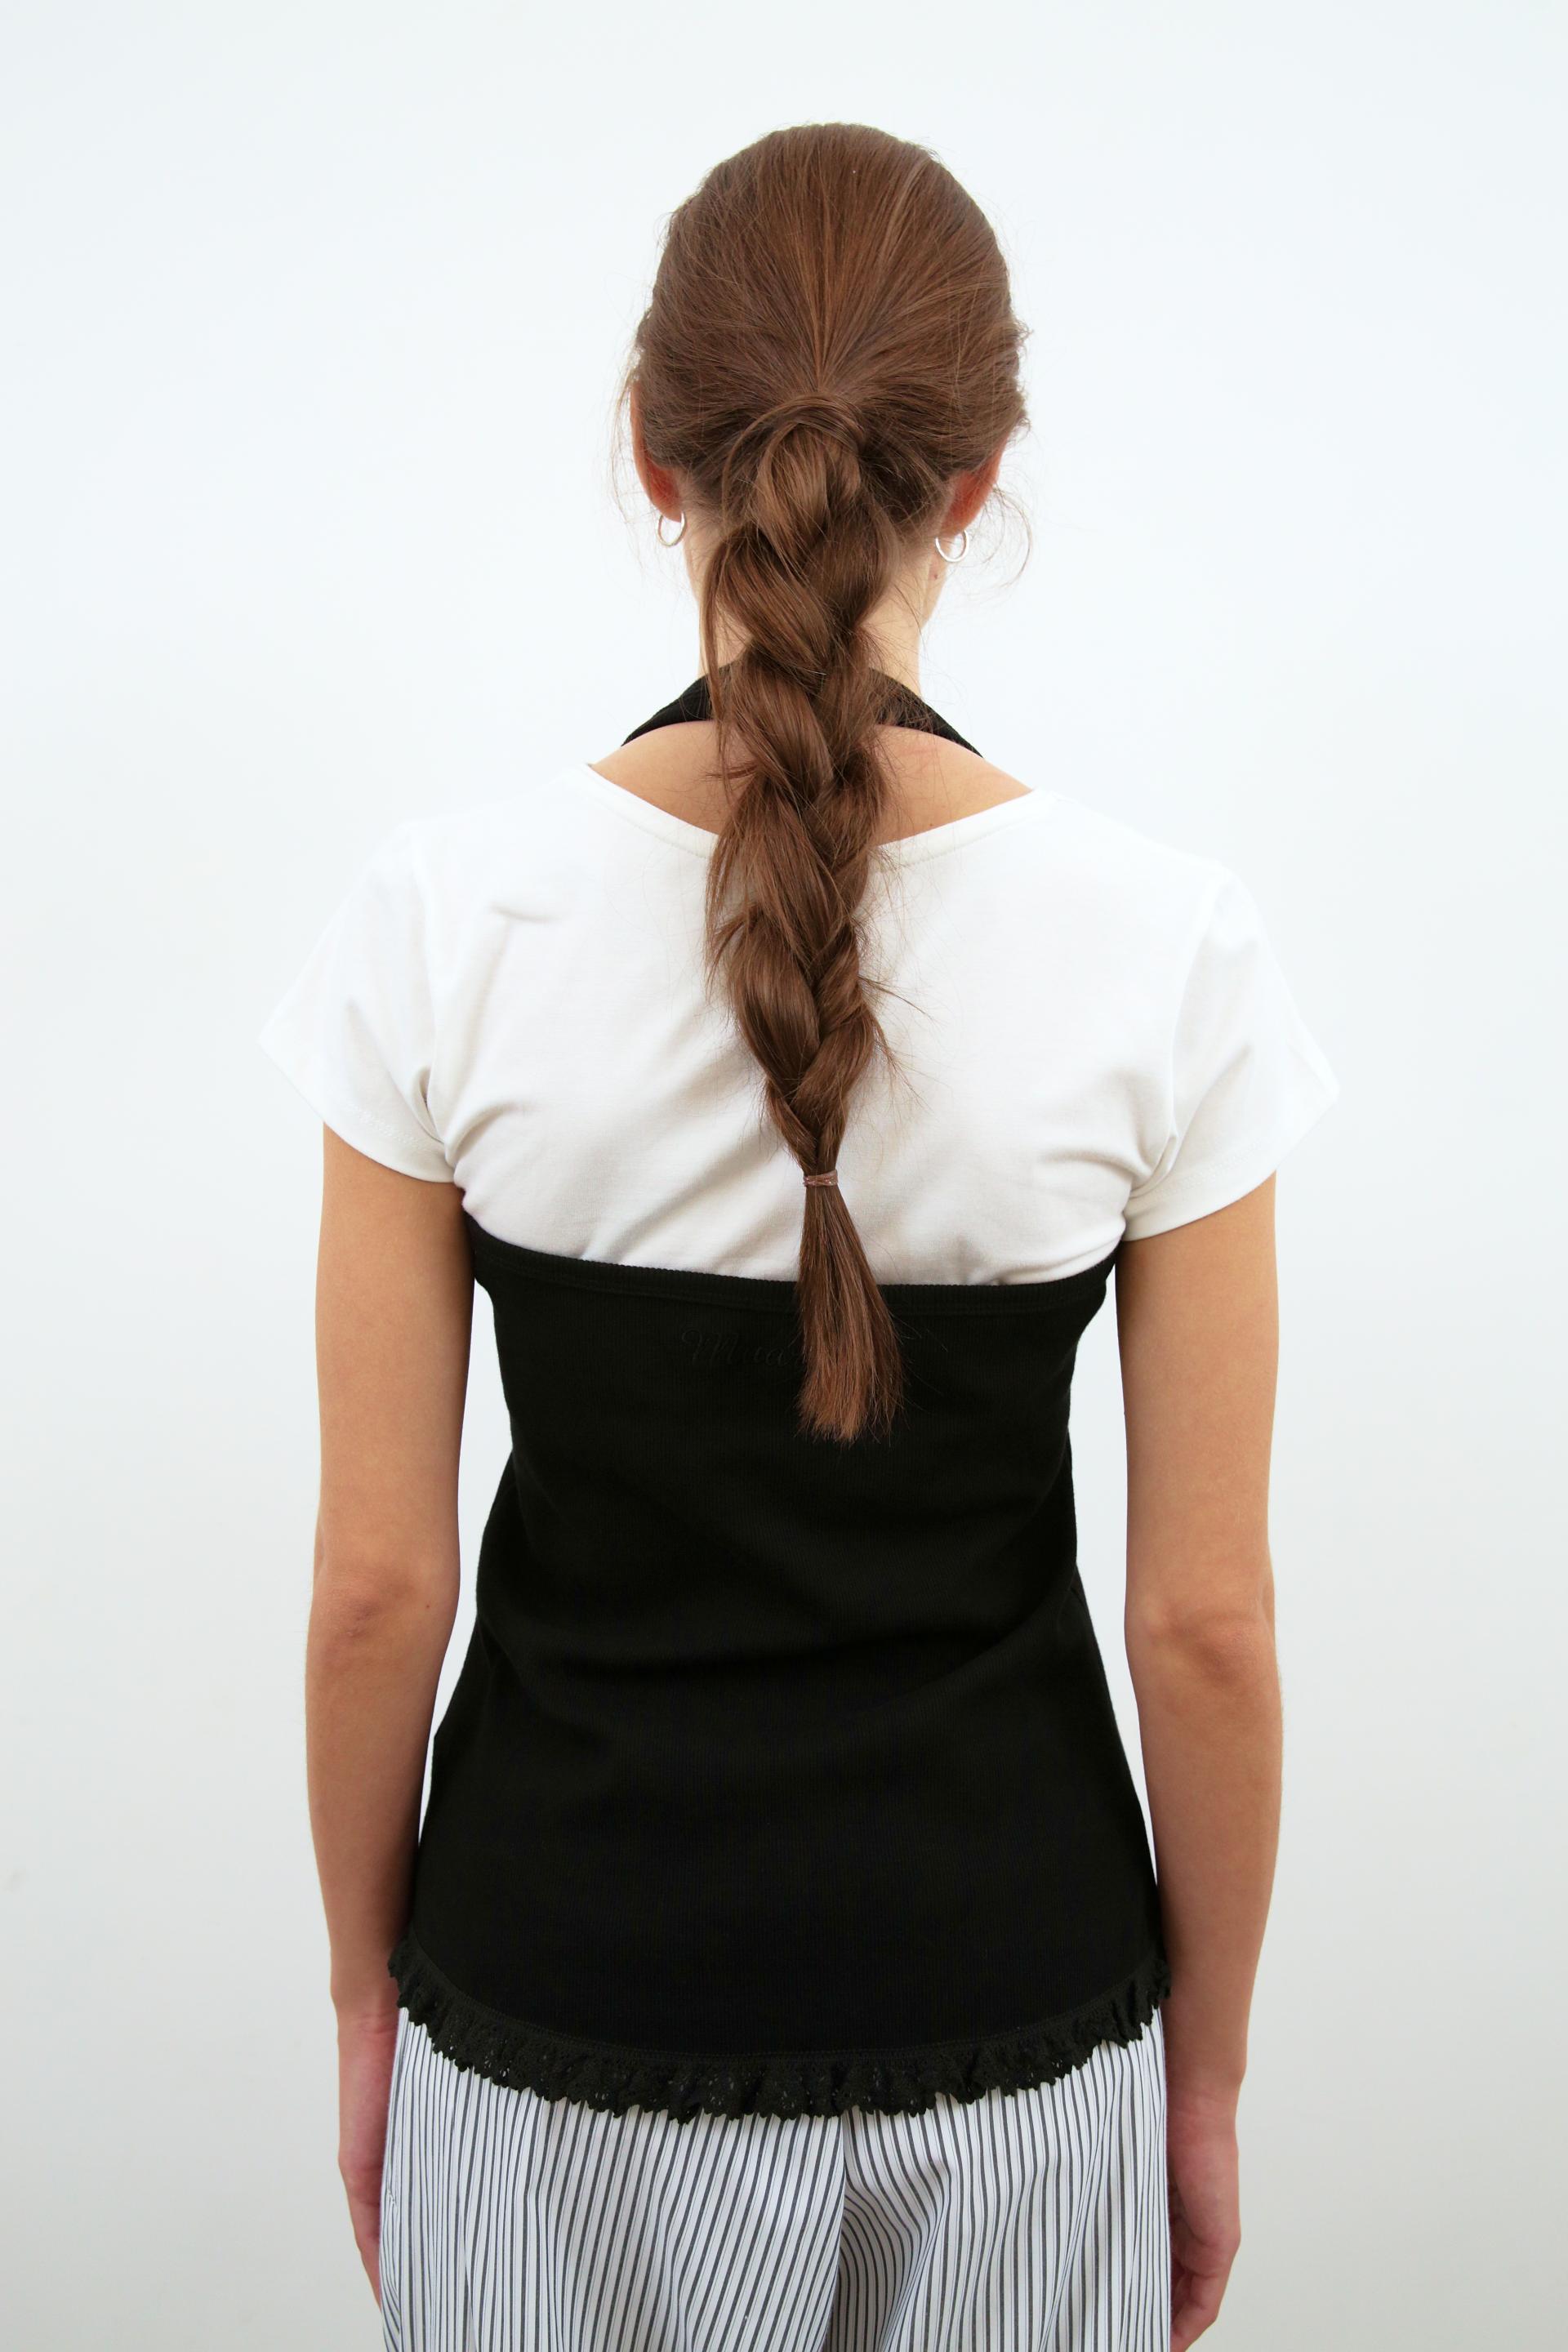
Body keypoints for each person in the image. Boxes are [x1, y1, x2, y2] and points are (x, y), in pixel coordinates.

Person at [258, 122, 1339, 2352]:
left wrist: (365, 2007)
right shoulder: (1170, 951)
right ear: (982, 476)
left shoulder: (443, 924)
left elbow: (377, 1586)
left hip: (552, 2032)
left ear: (650, 451)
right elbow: (1206, 1624)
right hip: (1017, 2050)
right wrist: (1208, 2084)